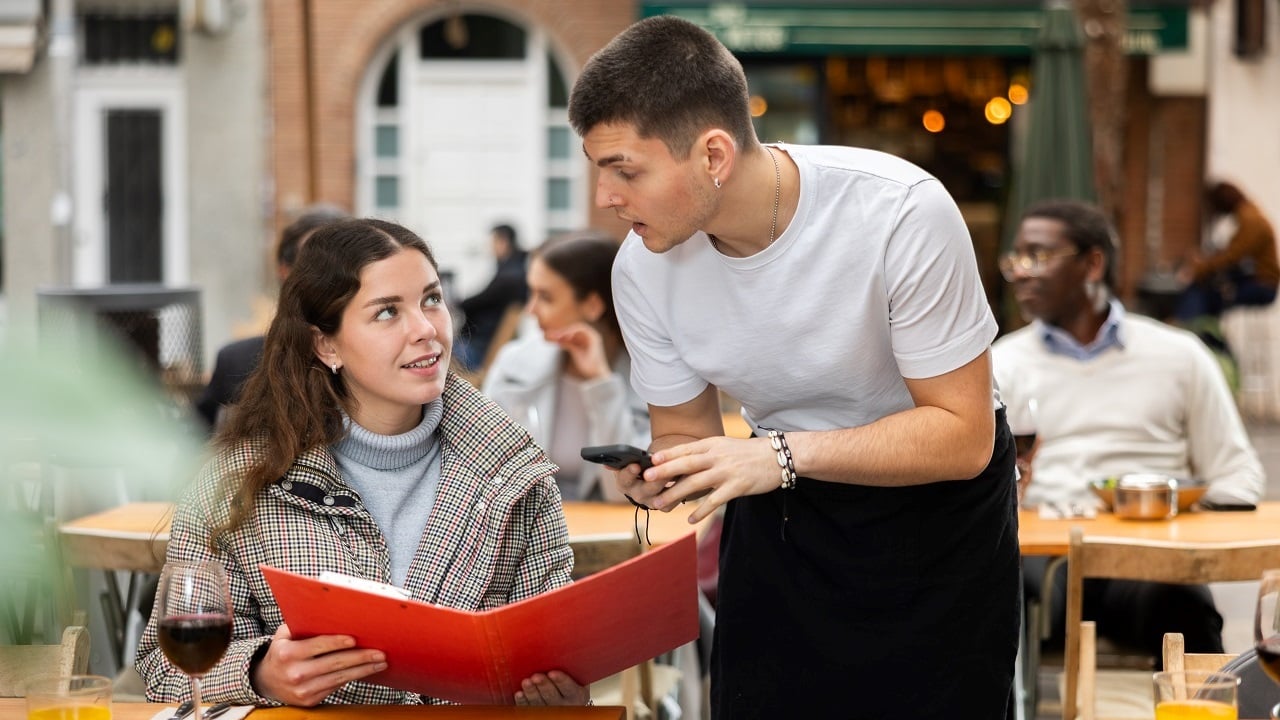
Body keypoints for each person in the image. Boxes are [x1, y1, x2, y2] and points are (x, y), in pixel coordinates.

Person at [568, 16, 1020, 719]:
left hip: (937, 517)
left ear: (713, 154)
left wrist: (774, 456)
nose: (605, 198)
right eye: (598, 170)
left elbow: (962, 438)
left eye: (625, 170)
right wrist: (668, 472)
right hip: (778, 517)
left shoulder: (899, 210)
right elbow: (685, 435)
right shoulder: (642, 267)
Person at [136, 218, 588, 707]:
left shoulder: (517, 470)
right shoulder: (238, 480)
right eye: (387, 312)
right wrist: (262, 672)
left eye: (431, 300)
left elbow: (550, 652)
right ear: (325, 344)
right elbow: (163, 670)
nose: (425, 330)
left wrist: (562, 698)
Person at [993, 199, 1265, 661]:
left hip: (1148, 555)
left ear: (1093, 263)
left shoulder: (1180, 355)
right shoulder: (1001, 361)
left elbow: (1237, 474)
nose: (1020, 272)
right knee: (995, 610)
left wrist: (1167, 510)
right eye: (1016, 258)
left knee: (1187, 611)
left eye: (1038, 256)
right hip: (1045, 560)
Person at [482, 232, 648, 503]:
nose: (530, 309)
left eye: (545, 297)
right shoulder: (514, 364)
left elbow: (628, 493)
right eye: (531, 293)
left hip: (610, 537)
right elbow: (483, 471)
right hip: (525, 535)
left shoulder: (651, 378)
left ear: (593, 305)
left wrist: (600, 383)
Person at [193, 204, 349, 431]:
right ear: (285, 271)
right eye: (317, 266)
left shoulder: (381, 360)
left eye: (345, 266)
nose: (331, 280)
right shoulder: (239, 363)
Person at [1176, 180, 1279, 322]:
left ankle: (1189, 329)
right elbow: (1233, 253)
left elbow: (1232, 256)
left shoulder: (1251, 220)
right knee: (1207, 291)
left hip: (1262, 286)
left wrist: (1200, 269)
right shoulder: (1248, 214)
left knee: (1206, 295)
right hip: (1253, 279)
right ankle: (1200, 333)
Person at [457, 223, 529, 370]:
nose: (490, 248)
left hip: (481, 346)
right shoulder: (515, 269)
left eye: (492, 242)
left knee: (438, 347)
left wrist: (458, 303)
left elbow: (478, 301)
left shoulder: (509, 276)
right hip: (487, 341)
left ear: (503, 242)